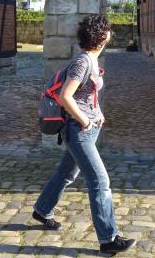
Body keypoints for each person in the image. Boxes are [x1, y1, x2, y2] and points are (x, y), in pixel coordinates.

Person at [32, 14, 136, 255]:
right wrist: (86, 120)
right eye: (107, 29)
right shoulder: (83, 62)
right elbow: (65, 96)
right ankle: (109, 238)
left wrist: (97, 115)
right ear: (102, 36)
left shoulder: (91, 59)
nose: (110, 32)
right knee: (100, 181)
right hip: (78, 132)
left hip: (85, 131)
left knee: (66, 174)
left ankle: (42, 210)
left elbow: (86, 95)